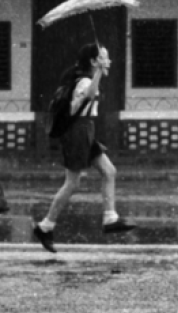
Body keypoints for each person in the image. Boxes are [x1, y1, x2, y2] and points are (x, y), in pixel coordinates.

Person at [33, 42, 135, 254]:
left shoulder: (87, 79)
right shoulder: (85, 81)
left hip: (86, 130)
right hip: (76, 133)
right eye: (104, 58)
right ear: (93, 61)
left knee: (109, 171)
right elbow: (88, 94)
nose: (109, 62)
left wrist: (98, 72)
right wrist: (97, 73)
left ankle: (110, 218)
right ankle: (45, 226)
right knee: (72, 183)